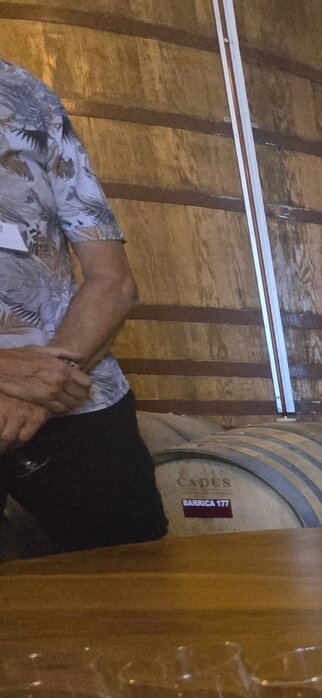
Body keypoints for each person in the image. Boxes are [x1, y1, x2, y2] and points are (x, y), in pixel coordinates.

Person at [0, 59, 166, 552]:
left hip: (77, 399)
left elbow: (113, 280)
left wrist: (45, 386)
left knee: (136, 584)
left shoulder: (25, 93)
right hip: (56, 387)